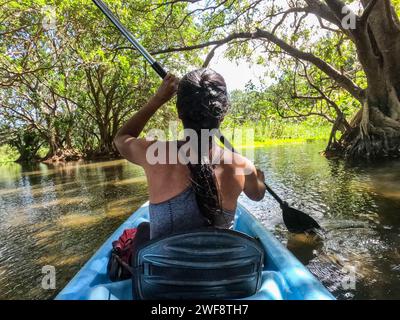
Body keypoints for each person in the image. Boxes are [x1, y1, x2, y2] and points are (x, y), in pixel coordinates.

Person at [114, 69, 266, 240]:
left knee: (142, 231)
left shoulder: (154, 154)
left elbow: (121, 138)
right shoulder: (243, 166)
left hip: (165, 266)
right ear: (222, 114)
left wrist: (159, 99)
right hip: (221, 265)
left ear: (179, 113)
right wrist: (258, 178)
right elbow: (257, 195)